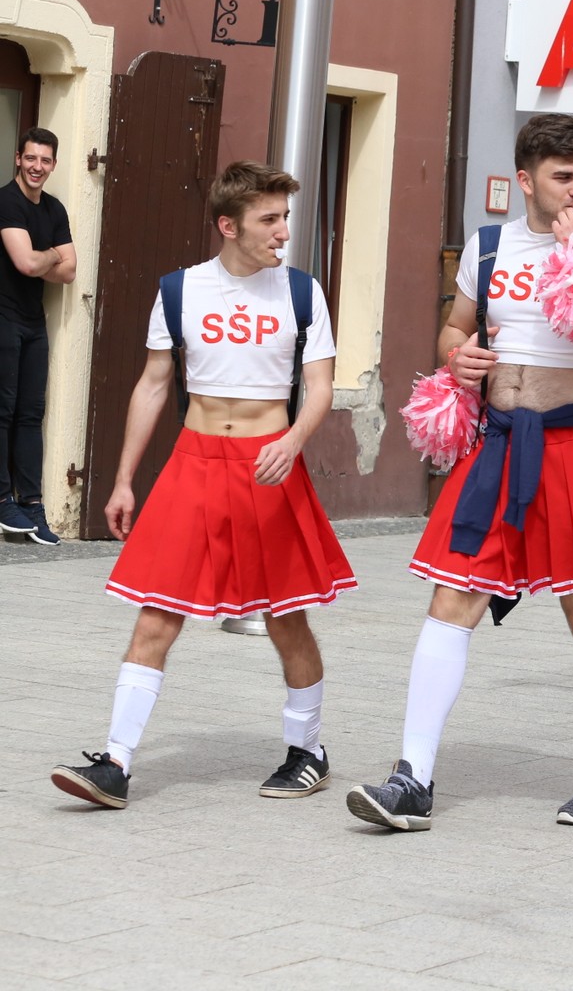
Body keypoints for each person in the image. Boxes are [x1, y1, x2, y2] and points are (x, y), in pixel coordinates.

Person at [348, 114, 573, 831]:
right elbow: (456, 327)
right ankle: (412, 778)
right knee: (452, 593)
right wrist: (456, 354)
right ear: (525, 180)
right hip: (500, 442)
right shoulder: (489, 247)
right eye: (563, 177)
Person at [49, 161, 348, 809]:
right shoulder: (181, 291)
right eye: (269, 219)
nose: (282, 230)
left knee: (284, 617)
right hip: (194, 461)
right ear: (228, 224)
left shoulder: (302, 292)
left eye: (284, 216)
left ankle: (308, 751)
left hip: (269, 465)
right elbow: (155, 383)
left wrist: (293, 441)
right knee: (157, 612)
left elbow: (320, 384)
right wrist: (125, 478)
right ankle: (116, 763)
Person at [0, 127, 75, 544]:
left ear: (53, 165)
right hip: (3, 318)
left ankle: (30, 504)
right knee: (3, 410)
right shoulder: (5, 202)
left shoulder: (55, 210)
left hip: (33, 322)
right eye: (31, 158)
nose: (37, 167)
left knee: (31, 414)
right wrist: (51, 254)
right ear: (18, 159)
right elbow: (29, 264)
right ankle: (1, 501)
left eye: (45, 161)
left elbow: (70, 271)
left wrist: (45, 258)